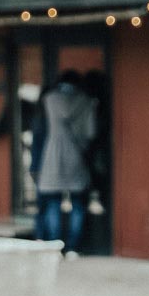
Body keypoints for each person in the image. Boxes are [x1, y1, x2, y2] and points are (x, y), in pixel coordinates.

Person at [31, 70, 97, 256]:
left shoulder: (49, 99)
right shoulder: (85, 101)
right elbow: (91, 132)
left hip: (52, 156)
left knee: (52, 204)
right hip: (76, 157)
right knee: (78, 205)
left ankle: (54, 246)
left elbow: (39, 130)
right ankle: (73, 247)